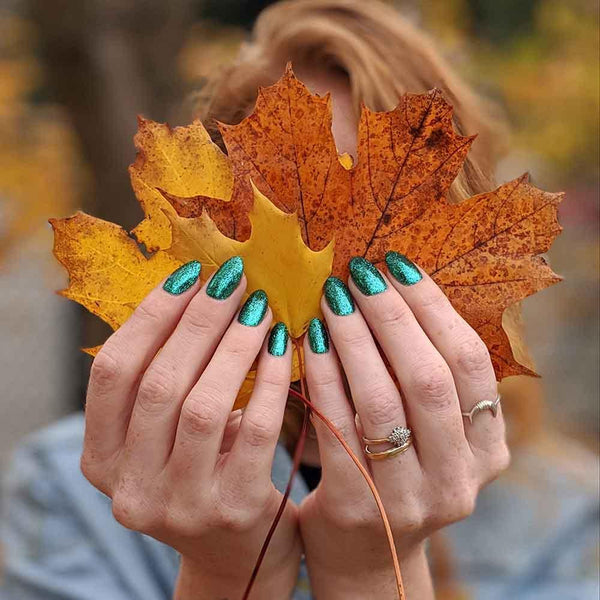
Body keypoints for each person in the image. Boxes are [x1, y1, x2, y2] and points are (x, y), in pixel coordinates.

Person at [2, 1, 598, 599]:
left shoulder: (567, 524)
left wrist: (371, 572)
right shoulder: (73, 491)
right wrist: (226, 574)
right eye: (294, 231)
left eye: (373, 251)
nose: (323, 287)